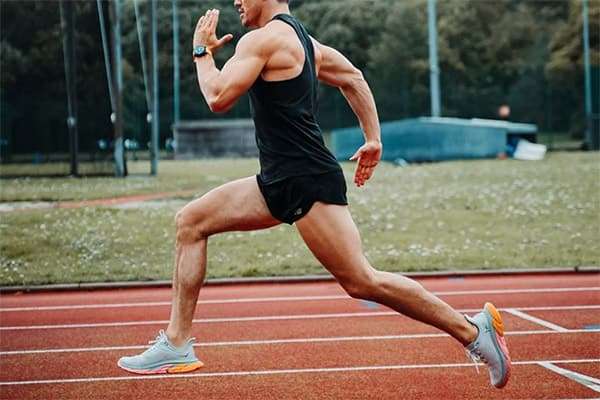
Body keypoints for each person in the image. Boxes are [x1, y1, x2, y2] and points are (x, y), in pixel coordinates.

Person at [118, 0, 511, 389]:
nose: (236, 1)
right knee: (190, 222)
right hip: (277, 181)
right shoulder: (308, 44)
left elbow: (217, 96)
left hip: (305, 180)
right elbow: (353, 77)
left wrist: (201, 52)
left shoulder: (264, 40)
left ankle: (473, 332)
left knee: (362, 281)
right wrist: (373, 137)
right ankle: (177, 343)